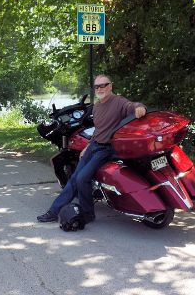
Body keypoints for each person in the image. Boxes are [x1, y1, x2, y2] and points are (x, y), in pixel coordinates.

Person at [37, 74, 147, 224]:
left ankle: (88, 214)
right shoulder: (97, 106)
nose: (100, 88)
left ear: (110, 86)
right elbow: (98, 130)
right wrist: (87, 146)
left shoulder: (118, 101)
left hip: (107, 148)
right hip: (94, 145)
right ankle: (53, 211)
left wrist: (139, 107)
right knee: (75, 178)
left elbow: (131, 106)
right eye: (97, 86)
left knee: (82, 178)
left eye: (103, 85)